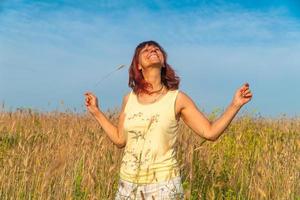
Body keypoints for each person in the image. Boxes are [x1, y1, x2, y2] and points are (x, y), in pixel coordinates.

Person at [84, 40, 253, 200]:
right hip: (127, 184)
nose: (152, 50)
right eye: (146, 49)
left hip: (164, 185)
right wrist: (96, 112)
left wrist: (235, 105)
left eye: (156, 48)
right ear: (138, 66)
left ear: (163, 62)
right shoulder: (129, 99)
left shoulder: (177, 99)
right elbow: (120, 140)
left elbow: (210, 132)